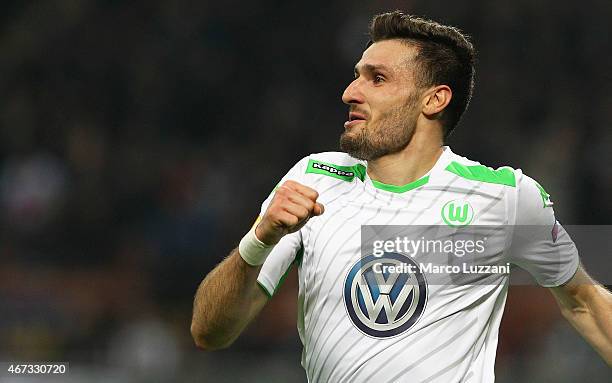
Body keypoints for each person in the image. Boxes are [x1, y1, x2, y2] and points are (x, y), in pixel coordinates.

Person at [190, 11, 612, 382]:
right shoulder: (313, 177)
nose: (351, 92)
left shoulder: (503, 197)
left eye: (377, 78)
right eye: (357, 75)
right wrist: (258, 240)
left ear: (434, 99)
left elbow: (585, 303)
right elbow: (209, 332)